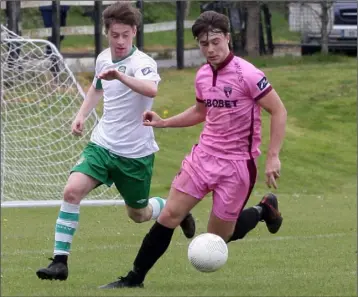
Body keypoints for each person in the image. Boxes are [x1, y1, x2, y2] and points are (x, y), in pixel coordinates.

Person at [99, 10, 287, 289]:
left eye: (215, 42)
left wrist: (273, 156)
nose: (210, 49)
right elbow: (201, 111)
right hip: (204, 157)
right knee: (169, 215)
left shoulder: (248, 74)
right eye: (203, 44)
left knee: (218, 237)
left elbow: (278, 110)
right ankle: (133, 279)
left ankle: (263, 210)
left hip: (237, 165)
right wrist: (165, 122)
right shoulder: (202, 75)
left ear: (227, 38)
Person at [35, 1, 195, 282]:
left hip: (134, 153)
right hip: (102, 145)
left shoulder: (142, 63)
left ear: (134, 32)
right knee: (72, 191)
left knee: (138, 213)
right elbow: (97, 87)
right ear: (107, 32)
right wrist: (81, 115)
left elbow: (151, 88)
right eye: (114, 35)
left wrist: (120, 75)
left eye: (125, 35)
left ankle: (175, 211)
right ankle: (60, 263)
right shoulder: (102, 58)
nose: (120, 41)